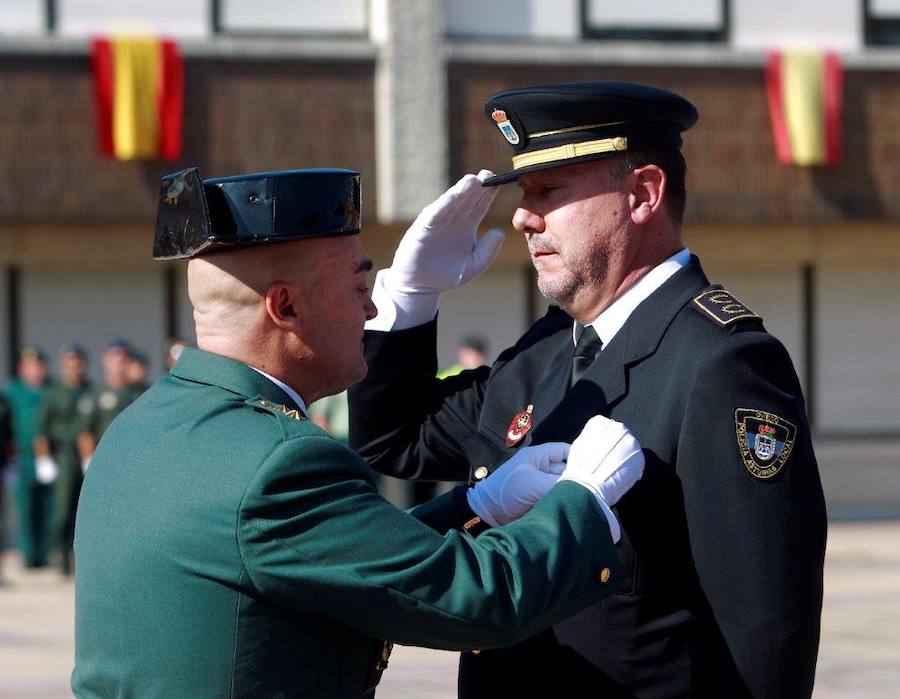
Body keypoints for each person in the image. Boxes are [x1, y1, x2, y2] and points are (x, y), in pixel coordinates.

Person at [72, 166, 646, 698]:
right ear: (286, 306)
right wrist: (582, 500)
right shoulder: (279, 463)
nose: (371, 311)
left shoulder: (145, 424)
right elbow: (477, 600)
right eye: (356, 288)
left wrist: (479, 506)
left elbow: (329, 552)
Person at [349, 81, 827, 698]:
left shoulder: (721, 362)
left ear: (641, 195)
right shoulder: (551, 349)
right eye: (524, 193)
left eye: (550, 190)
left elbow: (765, 631)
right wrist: (410, 301)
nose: (523, 216)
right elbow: (396, 440)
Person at [34, 343, 93, 576]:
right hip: (64, 454)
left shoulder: (90, 391)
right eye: (70, 362)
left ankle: (80, 557)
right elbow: (42, 429)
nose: (75, 367)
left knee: (85, 508)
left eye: (78, 362)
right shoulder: (55, 393)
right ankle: (61, 555)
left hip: (88, 454)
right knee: (63, 509)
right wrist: (43, 459)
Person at [5, 346, 53, 569]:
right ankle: (27, 553)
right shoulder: (12, 392)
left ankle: (45, 553)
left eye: (39, 364)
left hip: (48, 457)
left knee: (48, 505)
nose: (36, 370)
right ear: (22, 368)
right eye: (30, 365)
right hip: (22, 458)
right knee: (25, 507)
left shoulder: (51, 390)